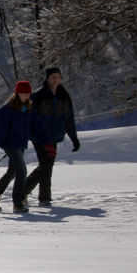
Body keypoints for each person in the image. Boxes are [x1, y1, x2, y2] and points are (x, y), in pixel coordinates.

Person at [25, 67, 80, 207]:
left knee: (45, 166)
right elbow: (28, 115)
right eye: (52, 77)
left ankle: (21, 191)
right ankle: (44, 198)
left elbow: (69, 118)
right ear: (47, 78)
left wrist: (73, 137)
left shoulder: (64, 95)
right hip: (40, 137)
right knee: (46, 165)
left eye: (57, 77)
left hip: (54, 137)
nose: (55, 79)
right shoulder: (38, 95)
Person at [0, 81, 35, 213]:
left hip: (20, 144)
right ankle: (17, 203)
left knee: (12, 172)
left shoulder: (27, 107)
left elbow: (33, 126)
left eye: (28, 93)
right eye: (23, 93)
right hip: (10, 145)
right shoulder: (6, 110)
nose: (26, 95)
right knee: (22, 171)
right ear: (17, 93)